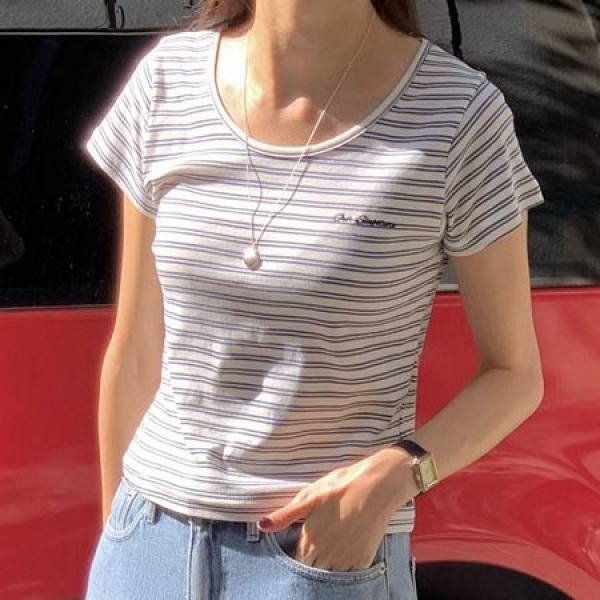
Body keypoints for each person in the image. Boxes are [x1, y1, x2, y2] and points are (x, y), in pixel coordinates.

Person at [84, 1, 544, 598]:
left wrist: (396, 476)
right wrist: (118, 541)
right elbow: (134, 352)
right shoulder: (166, 82)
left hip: (323, 558)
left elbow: (515, 374)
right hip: (148, 547)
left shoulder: (458, 114)